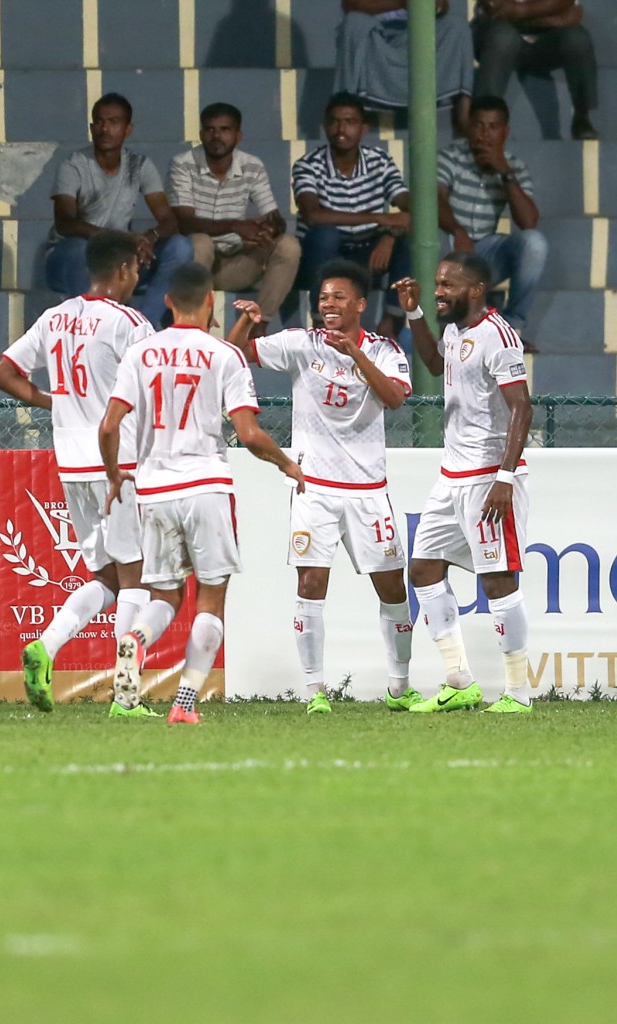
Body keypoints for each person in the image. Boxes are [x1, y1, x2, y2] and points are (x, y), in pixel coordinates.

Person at [99, 263, 305, 724]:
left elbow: (110, 424)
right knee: (210, 600)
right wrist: (287, 464)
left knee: (164, 599)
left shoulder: (139, 353)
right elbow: (249, 435)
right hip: (206, 486)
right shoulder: (224, 356)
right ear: (210, 302)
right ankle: (185, 704)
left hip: (154, 489)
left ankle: (137, 640)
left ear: (168, 302)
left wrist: (116, 475)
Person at [227, 260, 417, 713]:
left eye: (338, 297)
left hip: (369, 490)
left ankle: (399, 686)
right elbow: (233, 356)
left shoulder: (386, 350)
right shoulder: (300, 344)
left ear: (360, 304)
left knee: (392, 589)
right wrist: (245, 323)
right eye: (323, 298)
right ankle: (315, 692)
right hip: (315, 486)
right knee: (311, 583)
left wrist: (356, 355)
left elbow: (393, 398)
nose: (327, 305)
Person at [0, 231, 158, 718]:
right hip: (117, 466)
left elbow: (2, 372)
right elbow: (151, 392)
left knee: (104, 576)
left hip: (70, 462)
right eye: (137, 270)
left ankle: (46, 645)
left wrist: (52, 401)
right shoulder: (130, 323)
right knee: (135, 578)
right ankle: (125, 695)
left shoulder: (54, 317)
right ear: (125, 269)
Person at [392, 253, 534, 714]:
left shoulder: (499, 336)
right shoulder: (455, 331)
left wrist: (504, 477)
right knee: (424, 569)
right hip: (450, 474)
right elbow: (435, 363)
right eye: (437, 283)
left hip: (488, 477)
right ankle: (459, 680)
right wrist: (413, 313)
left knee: (497, 581)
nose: (439, 292)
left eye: (447, 285)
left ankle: (518, 693)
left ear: (475, 290)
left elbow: (522, 408)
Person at [45, 93, 195, 328]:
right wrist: (123, 239)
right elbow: (66, 223)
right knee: (78, 248)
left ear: (128, 129)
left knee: (180, 247)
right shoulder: (73, 164)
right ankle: (93, 328)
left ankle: (142, 328)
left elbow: (169, 222)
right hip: (73, 260)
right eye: (100, 122)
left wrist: (149, 237)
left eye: (114, 122)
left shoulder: (139, 165)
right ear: (92, 128)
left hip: (118, 258)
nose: (106, 129)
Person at [169, 102, 301, 338]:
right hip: (196, 265)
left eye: (224, 129)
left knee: (288, 246)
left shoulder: (252, 165)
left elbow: (276, 217)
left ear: (237, 136)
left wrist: (270, 228)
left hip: (235, 266)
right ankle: (196, 323)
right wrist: (235, 226)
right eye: (210, 130)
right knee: (200, 242)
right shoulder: (183, 164)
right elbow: (184, 222)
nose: (216, 136)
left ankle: (259, 325)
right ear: (201, 134)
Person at [292, 92, 412, 338]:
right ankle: (321, 322)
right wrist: (380, 218)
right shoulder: (308, 165)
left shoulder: (379, 161)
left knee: (409, 241)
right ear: (326, 127)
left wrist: (389, 235)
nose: (341, 129)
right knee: (324, 236)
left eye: (350, 122)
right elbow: (312, 215)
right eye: (335, 122)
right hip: (322, 256)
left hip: (368, 252)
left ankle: (393, 319)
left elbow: (410, 206)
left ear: (363, 128)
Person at [437, 95, 545, 349]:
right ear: (468, 127)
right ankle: (447, 319)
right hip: (448, 245)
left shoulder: (514, 166)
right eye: (478, 125)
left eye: (493, 127)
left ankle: (511, 327)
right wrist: (457, 229)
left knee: (534, 243)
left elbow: (528, 222)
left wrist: (505, 174)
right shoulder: (450, 157)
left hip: (484, 254)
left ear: (505, 132)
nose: (484, 134)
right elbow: (435, 199)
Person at [335, 0, 473, 136]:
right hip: (376, 34)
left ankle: (462, 117)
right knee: (354, 23)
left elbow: (443, 5)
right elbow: (350, 4)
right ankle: (350, 114)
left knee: (457, 26)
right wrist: (401, 3)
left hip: (417, 32)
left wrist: (436, 5)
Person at [472, 0, 598, 140]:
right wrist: (555, 19)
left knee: (577, 39)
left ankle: (581, 117)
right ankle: (483, 119)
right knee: (503, 37)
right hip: (499, 33)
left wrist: (518, 12)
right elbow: (496, 8)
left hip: (544, 40)